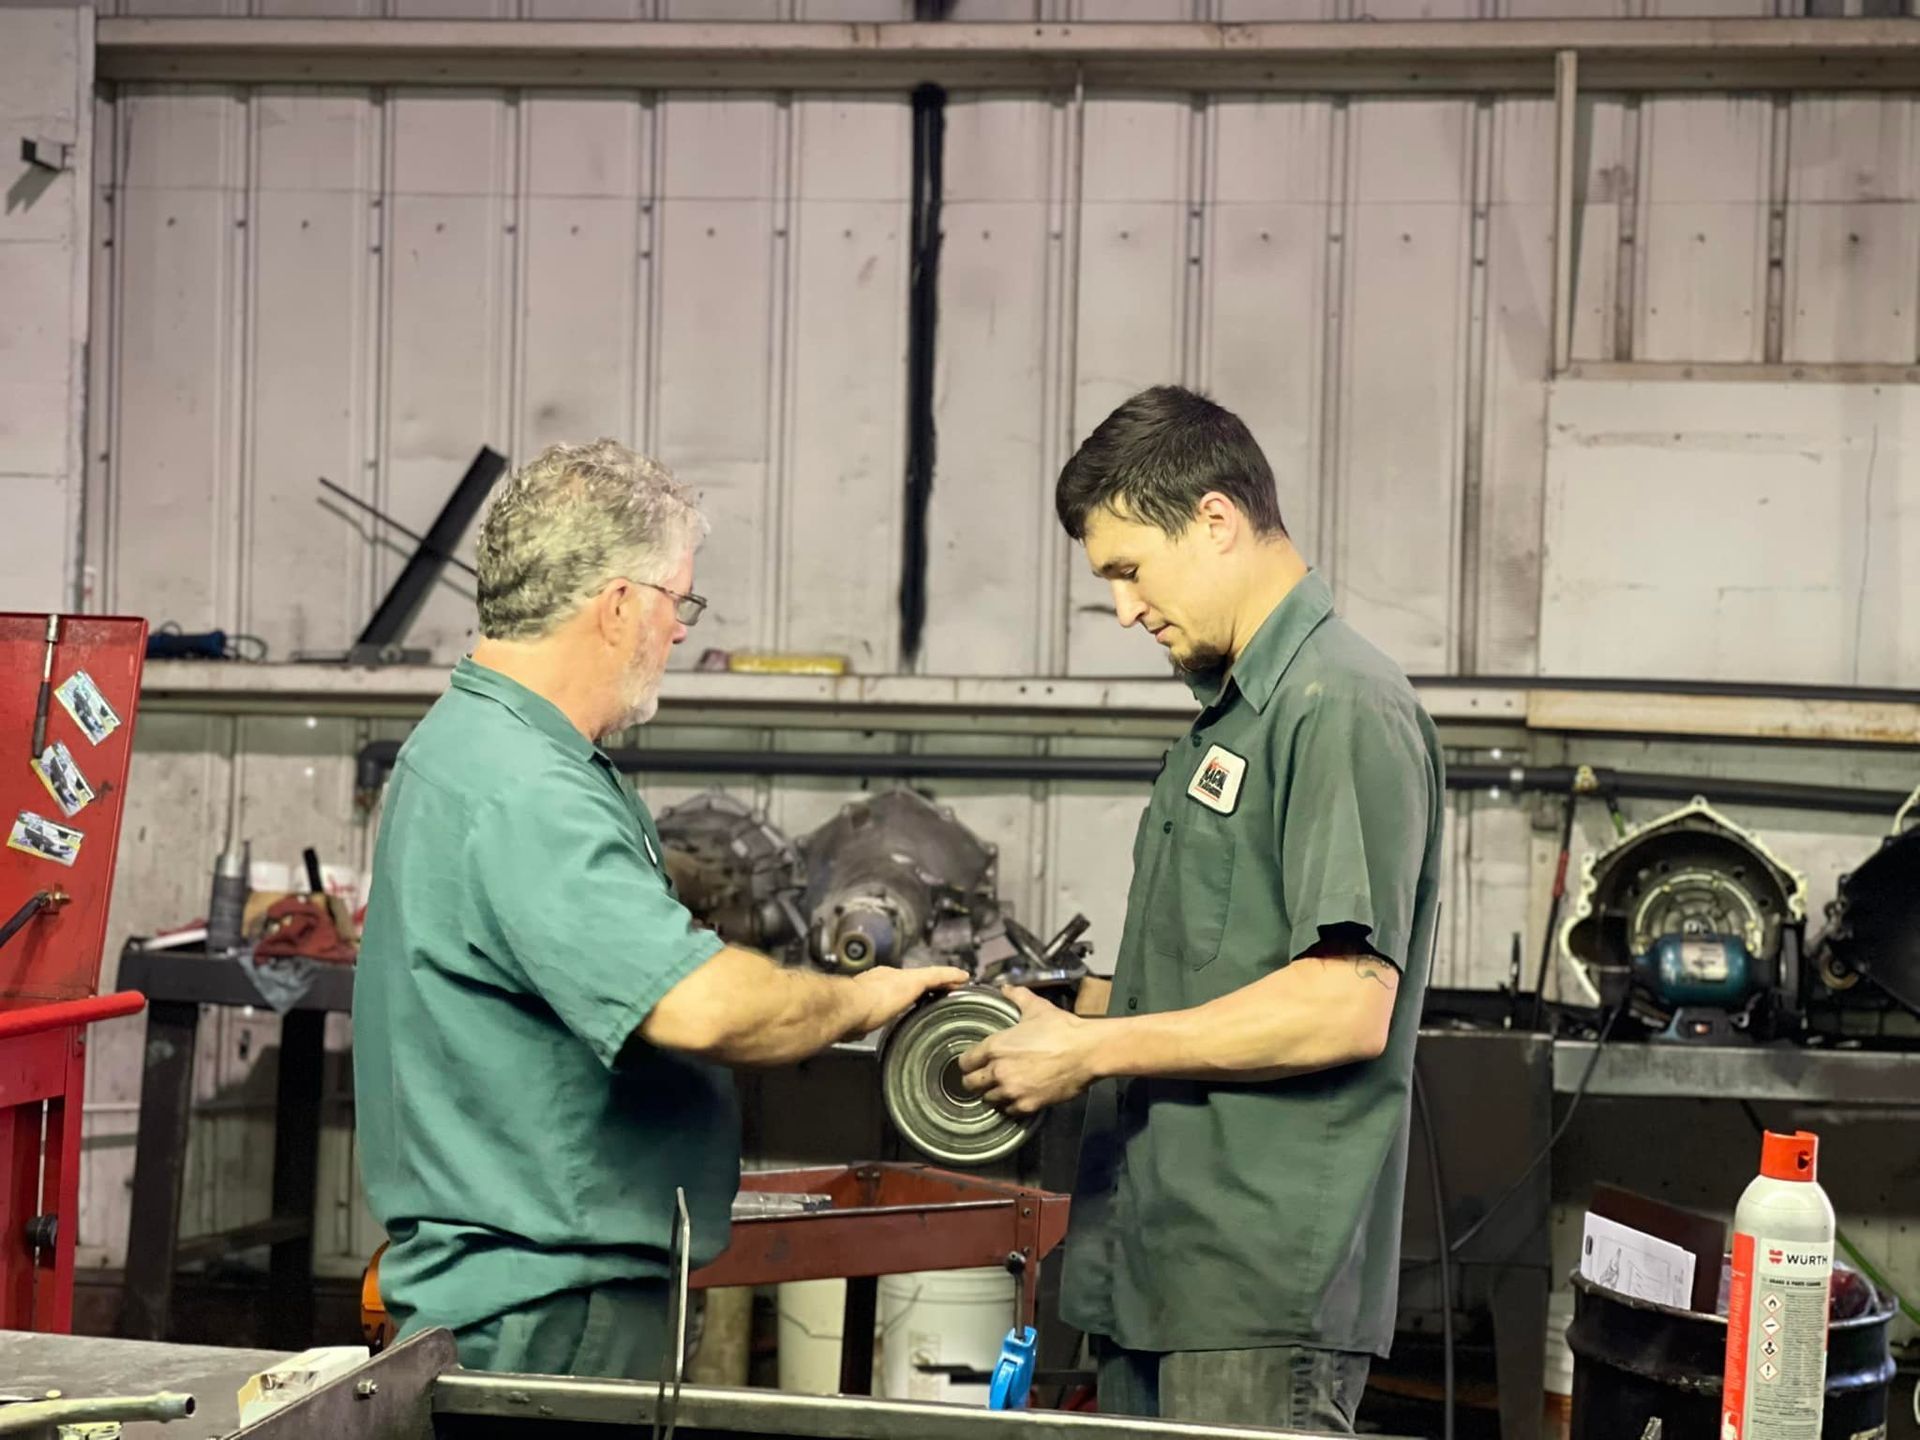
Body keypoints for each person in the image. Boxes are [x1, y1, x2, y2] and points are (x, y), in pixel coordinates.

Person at [353, 440, 964, 1380]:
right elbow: (702, 1008)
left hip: (532, 1295)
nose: (679, 629)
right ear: (618, 604)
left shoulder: (474, 746)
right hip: (549, 1316)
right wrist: (862, 999)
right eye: (680, 600)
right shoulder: (525, 787)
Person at [958, 386, 1444, 1433]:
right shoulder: (1231, 719)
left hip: (1255, 1295)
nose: (1125, 609)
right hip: (1156, 1271)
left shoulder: (1338, 705)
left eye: (1129, 570)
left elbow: (1346, 1005)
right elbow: (1217, 975)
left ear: (1216, 520)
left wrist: (1090, 1053)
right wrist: (1051, 1012)